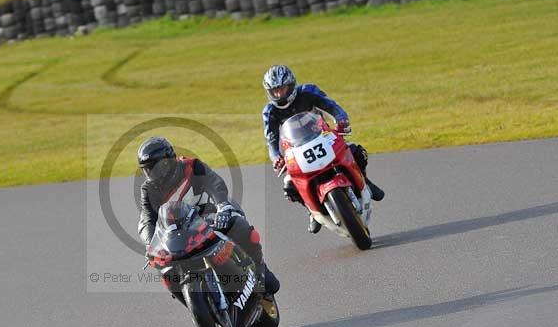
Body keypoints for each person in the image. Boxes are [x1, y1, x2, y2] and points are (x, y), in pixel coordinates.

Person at [137, 136, 280, 296]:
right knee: (164, 269)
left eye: (157, 168)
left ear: (168, 162)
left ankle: (260, 267)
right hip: (180, 233)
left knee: (237, 224)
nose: (154, 174)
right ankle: (192, 302)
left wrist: (222, 206)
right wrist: (150, 244)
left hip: (210, 216)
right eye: (149, 170)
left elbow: (214, 183)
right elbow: (147, 219)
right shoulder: (149, 190)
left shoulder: (191, 166)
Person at [261, 64, 385, 233]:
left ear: (291, 85)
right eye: (275, 91)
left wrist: (341, 119)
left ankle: (365, 181)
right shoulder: (270, 112)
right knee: (289, 186)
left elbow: (332, 106)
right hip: (296, 150)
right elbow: (271, 141)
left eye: (282, 89)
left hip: (322, 136)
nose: (279, 94)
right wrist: (276, 157)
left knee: (357, 151)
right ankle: (311, 210)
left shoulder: (308, 91)